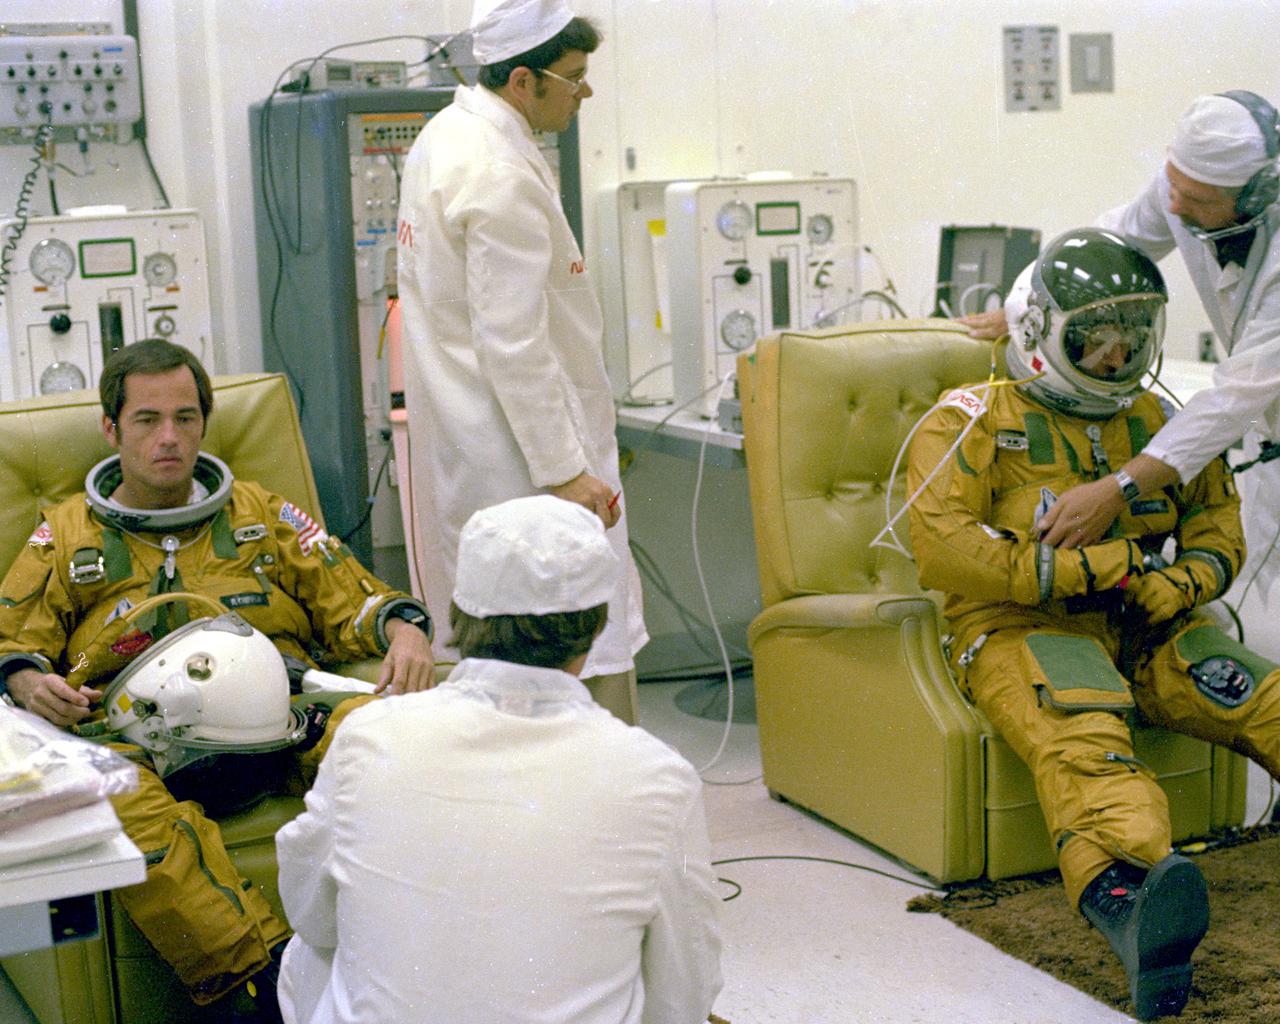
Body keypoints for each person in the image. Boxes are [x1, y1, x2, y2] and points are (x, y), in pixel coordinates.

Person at [0, 340, 435, 1021]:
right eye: (147, 420)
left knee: (384, 741)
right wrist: (30, 683)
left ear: (204, 422)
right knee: (111, 797)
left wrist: (405, 628)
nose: (169, 438)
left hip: (283, 720)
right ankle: (256, 984)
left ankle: (418, 951)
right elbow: (13, 644)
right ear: (111, 429)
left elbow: (355, 599)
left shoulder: (261, 516)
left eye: (185, 417)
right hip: (137, 745)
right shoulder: (66, 536)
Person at [907, 229, 1280, 1021]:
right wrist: (1089, 569)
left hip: (1150, 621)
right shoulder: (973, 418)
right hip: (1021, 627)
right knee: (1089, 746)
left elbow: (1218, 525)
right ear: (1042, 331)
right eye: (1094, 339)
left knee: (1266, 698)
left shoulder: (1159, 421)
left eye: (1131, 338)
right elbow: (943, 548)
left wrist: (1182, 581)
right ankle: (1133, 902)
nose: (1115, 357)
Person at [274, 494, 723, 1024]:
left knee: (309, 954)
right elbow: (684, 994)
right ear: (596, 628)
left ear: (458, 614)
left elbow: (309, 913)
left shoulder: (368, 737)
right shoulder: (658, 776)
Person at [396, 0, 646, 723]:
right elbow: (513, 342)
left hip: (474, 445)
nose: (585, 91)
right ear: (524, 81)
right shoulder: (497, 171)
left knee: (495, 655)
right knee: (569, 649)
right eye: (574, 77)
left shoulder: (446, 136)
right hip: (523, 462)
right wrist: (565, 469)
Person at [960, 92, 1280, 654]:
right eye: (1172, 184)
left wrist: (1119, 489)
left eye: (1195, 198)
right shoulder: (1181, 191)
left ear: (1254, 196)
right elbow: (1108, 240)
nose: (1174, 205)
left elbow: (1233, 397)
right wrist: (1023, 306)